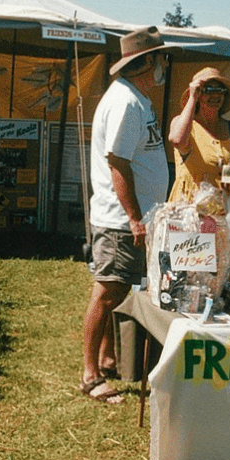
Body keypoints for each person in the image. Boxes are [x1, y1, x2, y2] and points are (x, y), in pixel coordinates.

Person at [80, 26, 172, 403]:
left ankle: (105, 360)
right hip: (120, 220)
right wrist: (135, 217)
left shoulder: (137, 99)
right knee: (107, 292)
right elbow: (117, 163)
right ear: (145, 62)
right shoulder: (125, 102)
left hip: (135, 217)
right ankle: (89, 375)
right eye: (160, 58)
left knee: (116, 291)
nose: (164, 64)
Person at [168, 66, 230, 203]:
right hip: (186, 211)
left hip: (218, 211)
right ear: (198, 95)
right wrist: (192, 97)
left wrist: (227, 180)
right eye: (208, 90)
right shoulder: (185, 125)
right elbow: (177, 141)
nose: (215, 95)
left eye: (220, 90)